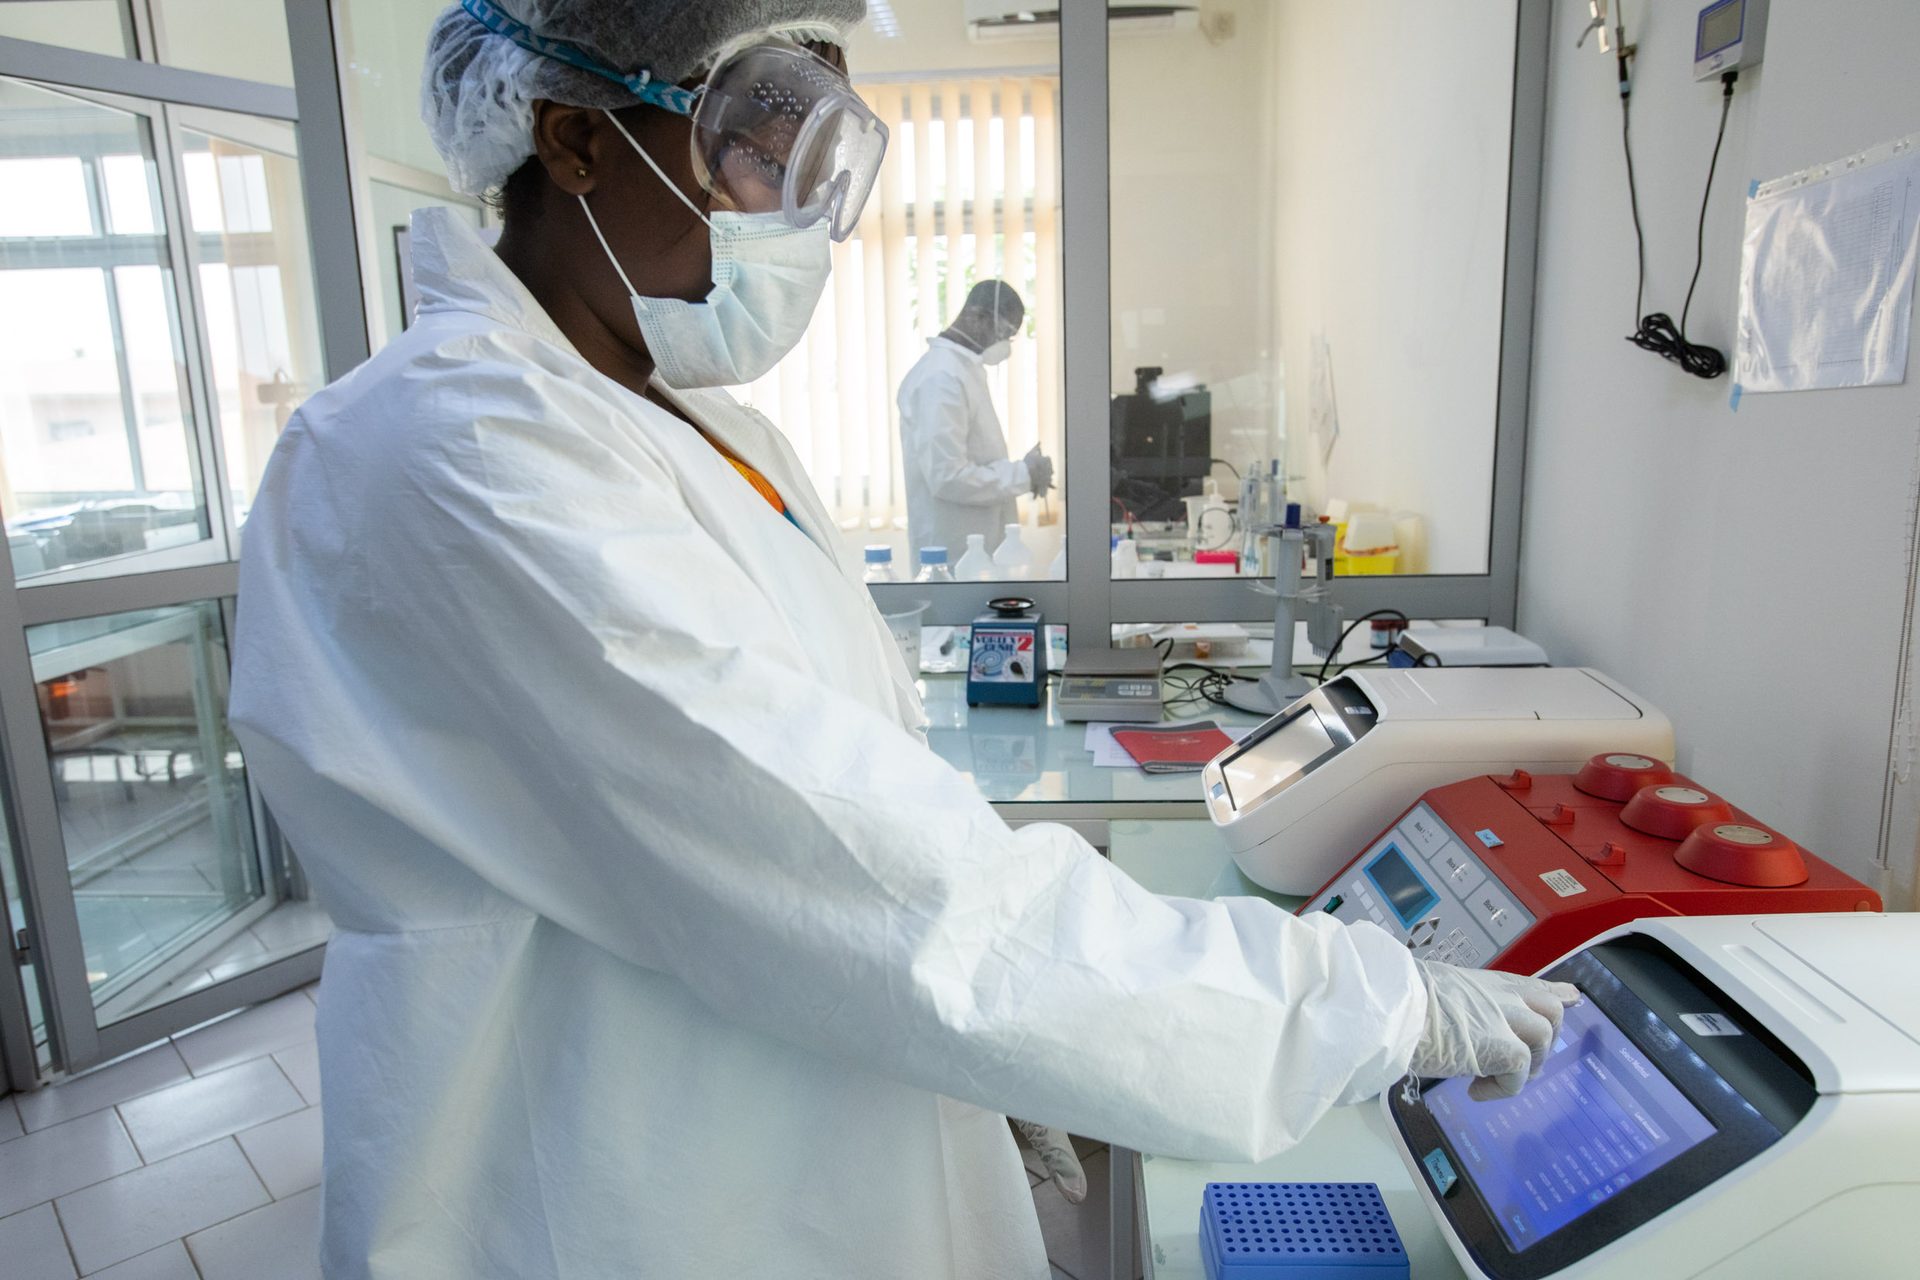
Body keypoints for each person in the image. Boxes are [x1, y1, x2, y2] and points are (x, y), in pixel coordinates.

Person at [227, 3, 1580, 1277]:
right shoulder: (459, 450)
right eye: (748, 147)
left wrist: (992, 1066)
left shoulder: (694, 428)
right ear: (575, 137)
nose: (794, 213)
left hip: (801, 1126)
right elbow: (853, 867)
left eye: (816, 157)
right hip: (626, 1194)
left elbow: (854, 832)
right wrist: (1358, 1002)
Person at [898, 279, 1051, 568]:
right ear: (978, 317)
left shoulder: (962, 370)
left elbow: (976, 456)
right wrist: (1022, 474)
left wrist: (1022, 469)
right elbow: (947, 477)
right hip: (953, 557)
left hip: (975, 553)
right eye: (1005, 332)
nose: (1006, 345)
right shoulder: (941, 378)